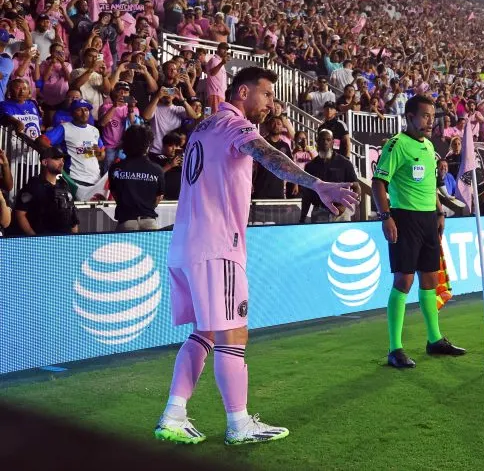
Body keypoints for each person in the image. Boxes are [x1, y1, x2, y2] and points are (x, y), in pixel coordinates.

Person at [154, 67, 358, 446]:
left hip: (186, 244)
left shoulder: (203, 126)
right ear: (243, 92)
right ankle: (239, 423)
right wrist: (316, 182)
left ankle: (173, 414)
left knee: (205, 331)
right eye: (266, 94)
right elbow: (265, 153)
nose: (270, 103)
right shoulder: (234, 124)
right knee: (234, 333)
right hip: (218, 246)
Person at [371, 94, 465, 369]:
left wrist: (439, 211)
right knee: (404, 281)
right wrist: (386, 216)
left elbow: (429, 183)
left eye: (432, 117)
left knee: (430, 280)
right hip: (405, 219)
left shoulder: (428, 147)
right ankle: (395, 348)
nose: (429, 122)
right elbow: (378, 183)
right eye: (424, 116)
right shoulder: (396, 145)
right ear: (409, 116)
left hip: (427, 220)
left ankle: (434, 340)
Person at [12, 146, 79, 236]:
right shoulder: (33, 186)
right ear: (45, 162)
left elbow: (72, 214)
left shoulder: (64, 186)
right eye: (57, 159)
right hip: (42, 242)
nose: (62, 163)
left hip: (65, 242)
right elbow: (20, 214)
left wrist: (74, 237)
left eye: (62, 160)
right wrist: (34, 237)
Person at [109, 125, 165, 231]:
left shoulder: (116, 168)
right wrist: (145, 208)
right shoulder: (157, 169)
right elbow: (159, 196)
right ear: (148, 144)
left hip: (126, 222)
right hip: (149, 223)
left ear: (125, 143)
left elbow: (115, 194)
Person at [300, 130, 358, 223]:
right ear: (317, 141)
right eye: (322, 139)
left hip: (342, 214)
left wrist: (344, 206)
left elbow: (356, 187)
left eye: (328, 139)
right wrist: (302, 218)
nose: (325, 142)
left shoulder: (345, 163)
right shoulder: (310, 166)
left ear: (333, 142)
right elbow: (306, 195)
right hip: (319, 212)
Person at [44, 100, 104, 188]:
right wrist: (56, 155)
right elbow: (42, 140)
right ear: (72, 113)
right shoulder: (64, 127)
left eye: (86, 109)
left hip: (95, 179)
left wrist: (97, 152)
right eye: (79, 110)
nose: (84, 112)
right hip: (74, 178)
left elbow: (101, 155)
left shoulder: (94, 130)